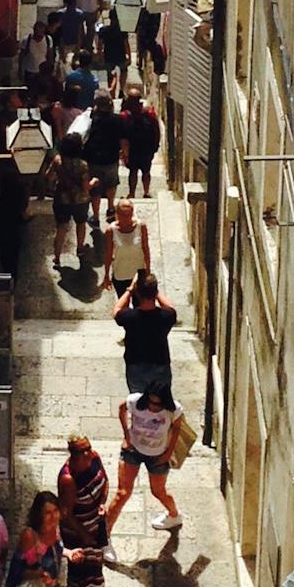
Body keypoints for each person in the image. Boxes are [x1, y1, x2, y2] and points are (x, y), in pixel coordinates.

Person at [59, 434, 127, 587]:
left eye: (88, 448)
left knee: (79, 570)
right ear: (73, 454)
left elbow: (104, 482)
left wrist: (102, 504)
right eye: (82, 451)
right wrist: (84, 535)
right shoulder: (68, 479)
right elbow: (65, 513)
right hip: (78, 532)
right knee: (93, 572)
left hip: (95, 525)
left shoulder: (94, 458)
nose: (88, 453)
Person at [106, 380, 183, 537]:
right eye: (151, 402)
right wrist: (127, 436)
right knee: (123, 493)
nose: (153, 407)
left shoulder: (173, 410)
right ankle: (104, 535)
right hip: (133, 450)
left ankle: (174, 515)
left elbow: (177, 429)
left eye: (158, 404)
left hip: (158, 455)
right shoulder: (134, 401)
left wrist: (168, 453)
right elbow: (122, 409)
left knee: (159, 491)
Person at [114, 271, 177, 399]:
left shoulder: (129, 317)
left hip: (135, 364)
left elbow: (117, 310)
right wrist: (155, 291)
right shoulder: (166, 316)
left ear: (138, 294)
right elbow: (170, 307)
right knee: (161, 403)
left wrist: (130, 290)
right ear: (155, 293)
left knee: (138, 404)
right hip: (160, 364)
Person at [49, 134, 90, 272]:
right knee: (81, 223)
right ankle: (80, 248)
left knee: (61, 227)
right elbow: (85, 187)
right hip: (80, 200)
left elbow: (48, 176)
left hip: (62, 199)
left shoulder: (57, 161)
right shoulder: (83, 165)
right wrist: (94, 183)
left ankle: (57, 257)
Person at [84, 94, 125, 218]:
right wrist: (124, 153)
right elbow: (123, 139)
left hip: (93, 158)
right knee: (111, 184)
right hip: (111, 158)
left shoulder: (90, 118)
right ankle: (111, 208)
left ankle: (96, 216)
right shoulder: (117, 119)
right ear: (111, 104)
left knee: (95, 188)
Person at [103, 198, 152, 296]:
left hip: (138, 274)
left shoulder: (141, 226)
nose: (126, 218)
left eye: (128, 214)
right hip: (120, 274)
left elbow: (145, 249)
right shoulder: (111, 231)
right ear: (117, 214)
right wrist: (106, 275)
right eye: (122, 215)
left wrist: (148, 270)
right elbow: (108, 253)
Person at [121, 94, 162, 198]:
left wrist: (123, 152)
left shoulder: (126, 116)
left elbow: (123, 136)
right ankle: (146, 192)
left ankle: (132, 193)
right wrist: (155, 146)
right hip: (146, 148)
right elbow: (156, 130)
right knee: (146, 171)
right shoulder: (149, 113)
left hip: (133, 149)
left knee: (133, 172)